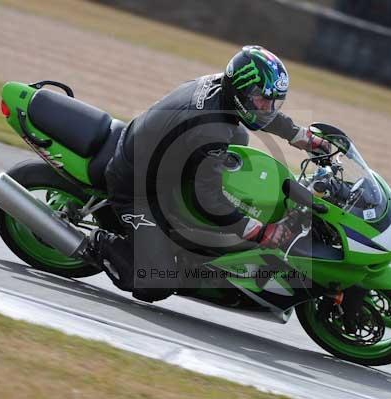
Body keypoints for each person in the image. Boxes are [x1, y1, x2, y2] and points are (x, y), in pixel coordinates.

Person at [91, 45, 329, 302]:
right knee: (154, 283)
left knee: (239, 137)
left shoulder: (224, 89)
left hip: (161, 154)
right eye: (263, 99)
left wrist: (300, 136)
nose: (267, 107)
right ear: (242, 91)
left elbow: (258, 112)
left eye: (273, 101)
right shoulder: (211, 129)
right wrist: (260, 232)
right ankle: (97, 243)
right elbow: (209, 199)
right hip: (136, 186)